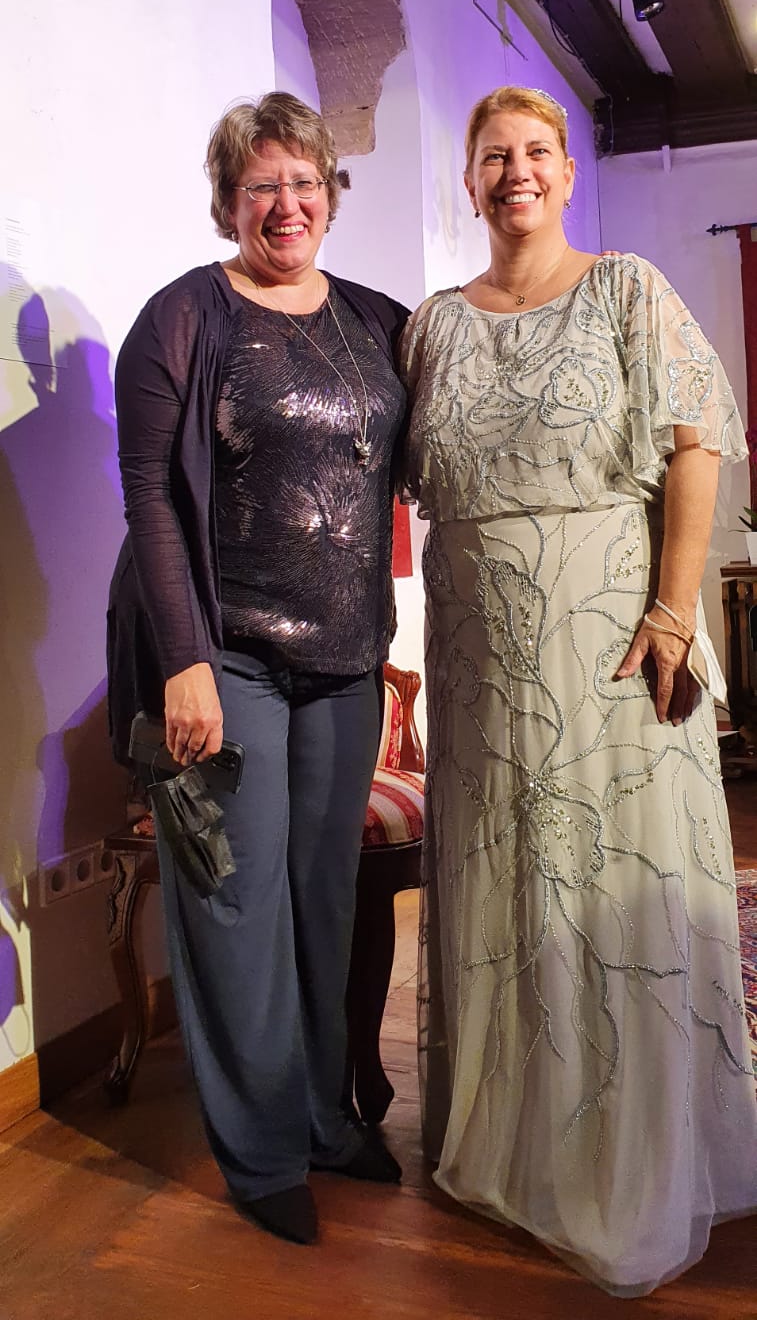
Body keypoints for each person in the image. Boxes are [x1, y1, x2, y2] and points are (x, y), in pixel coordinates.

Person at [399, 84, 757, 1296]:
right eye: (494, 154)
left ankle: (626, 1153)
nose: (517, 171)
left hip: (611, 650)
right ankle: (516, 1144)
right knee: (507, 885)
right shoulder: (433, 325)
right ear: (468, 179)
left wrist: (673, 610)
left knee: (610, 887)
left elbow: (695, 441)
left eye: (538, 151)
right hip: (479, 669)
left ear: (565, 171)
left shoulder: (627, 290)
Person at [107, 92, 409, 1246]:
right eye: (260, 185)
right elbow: (150, 498)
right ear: (229, 202)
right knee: (232, 898)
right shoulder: (184, 318)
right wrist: (183, 660)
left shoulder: (377, 320)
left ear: (330, 194)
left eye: (303, 182)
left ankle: (328, 1119)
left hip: (345, 662)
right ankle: (264, 1148)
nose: (286, 203)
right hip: (224, 659)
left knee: (321, 900)